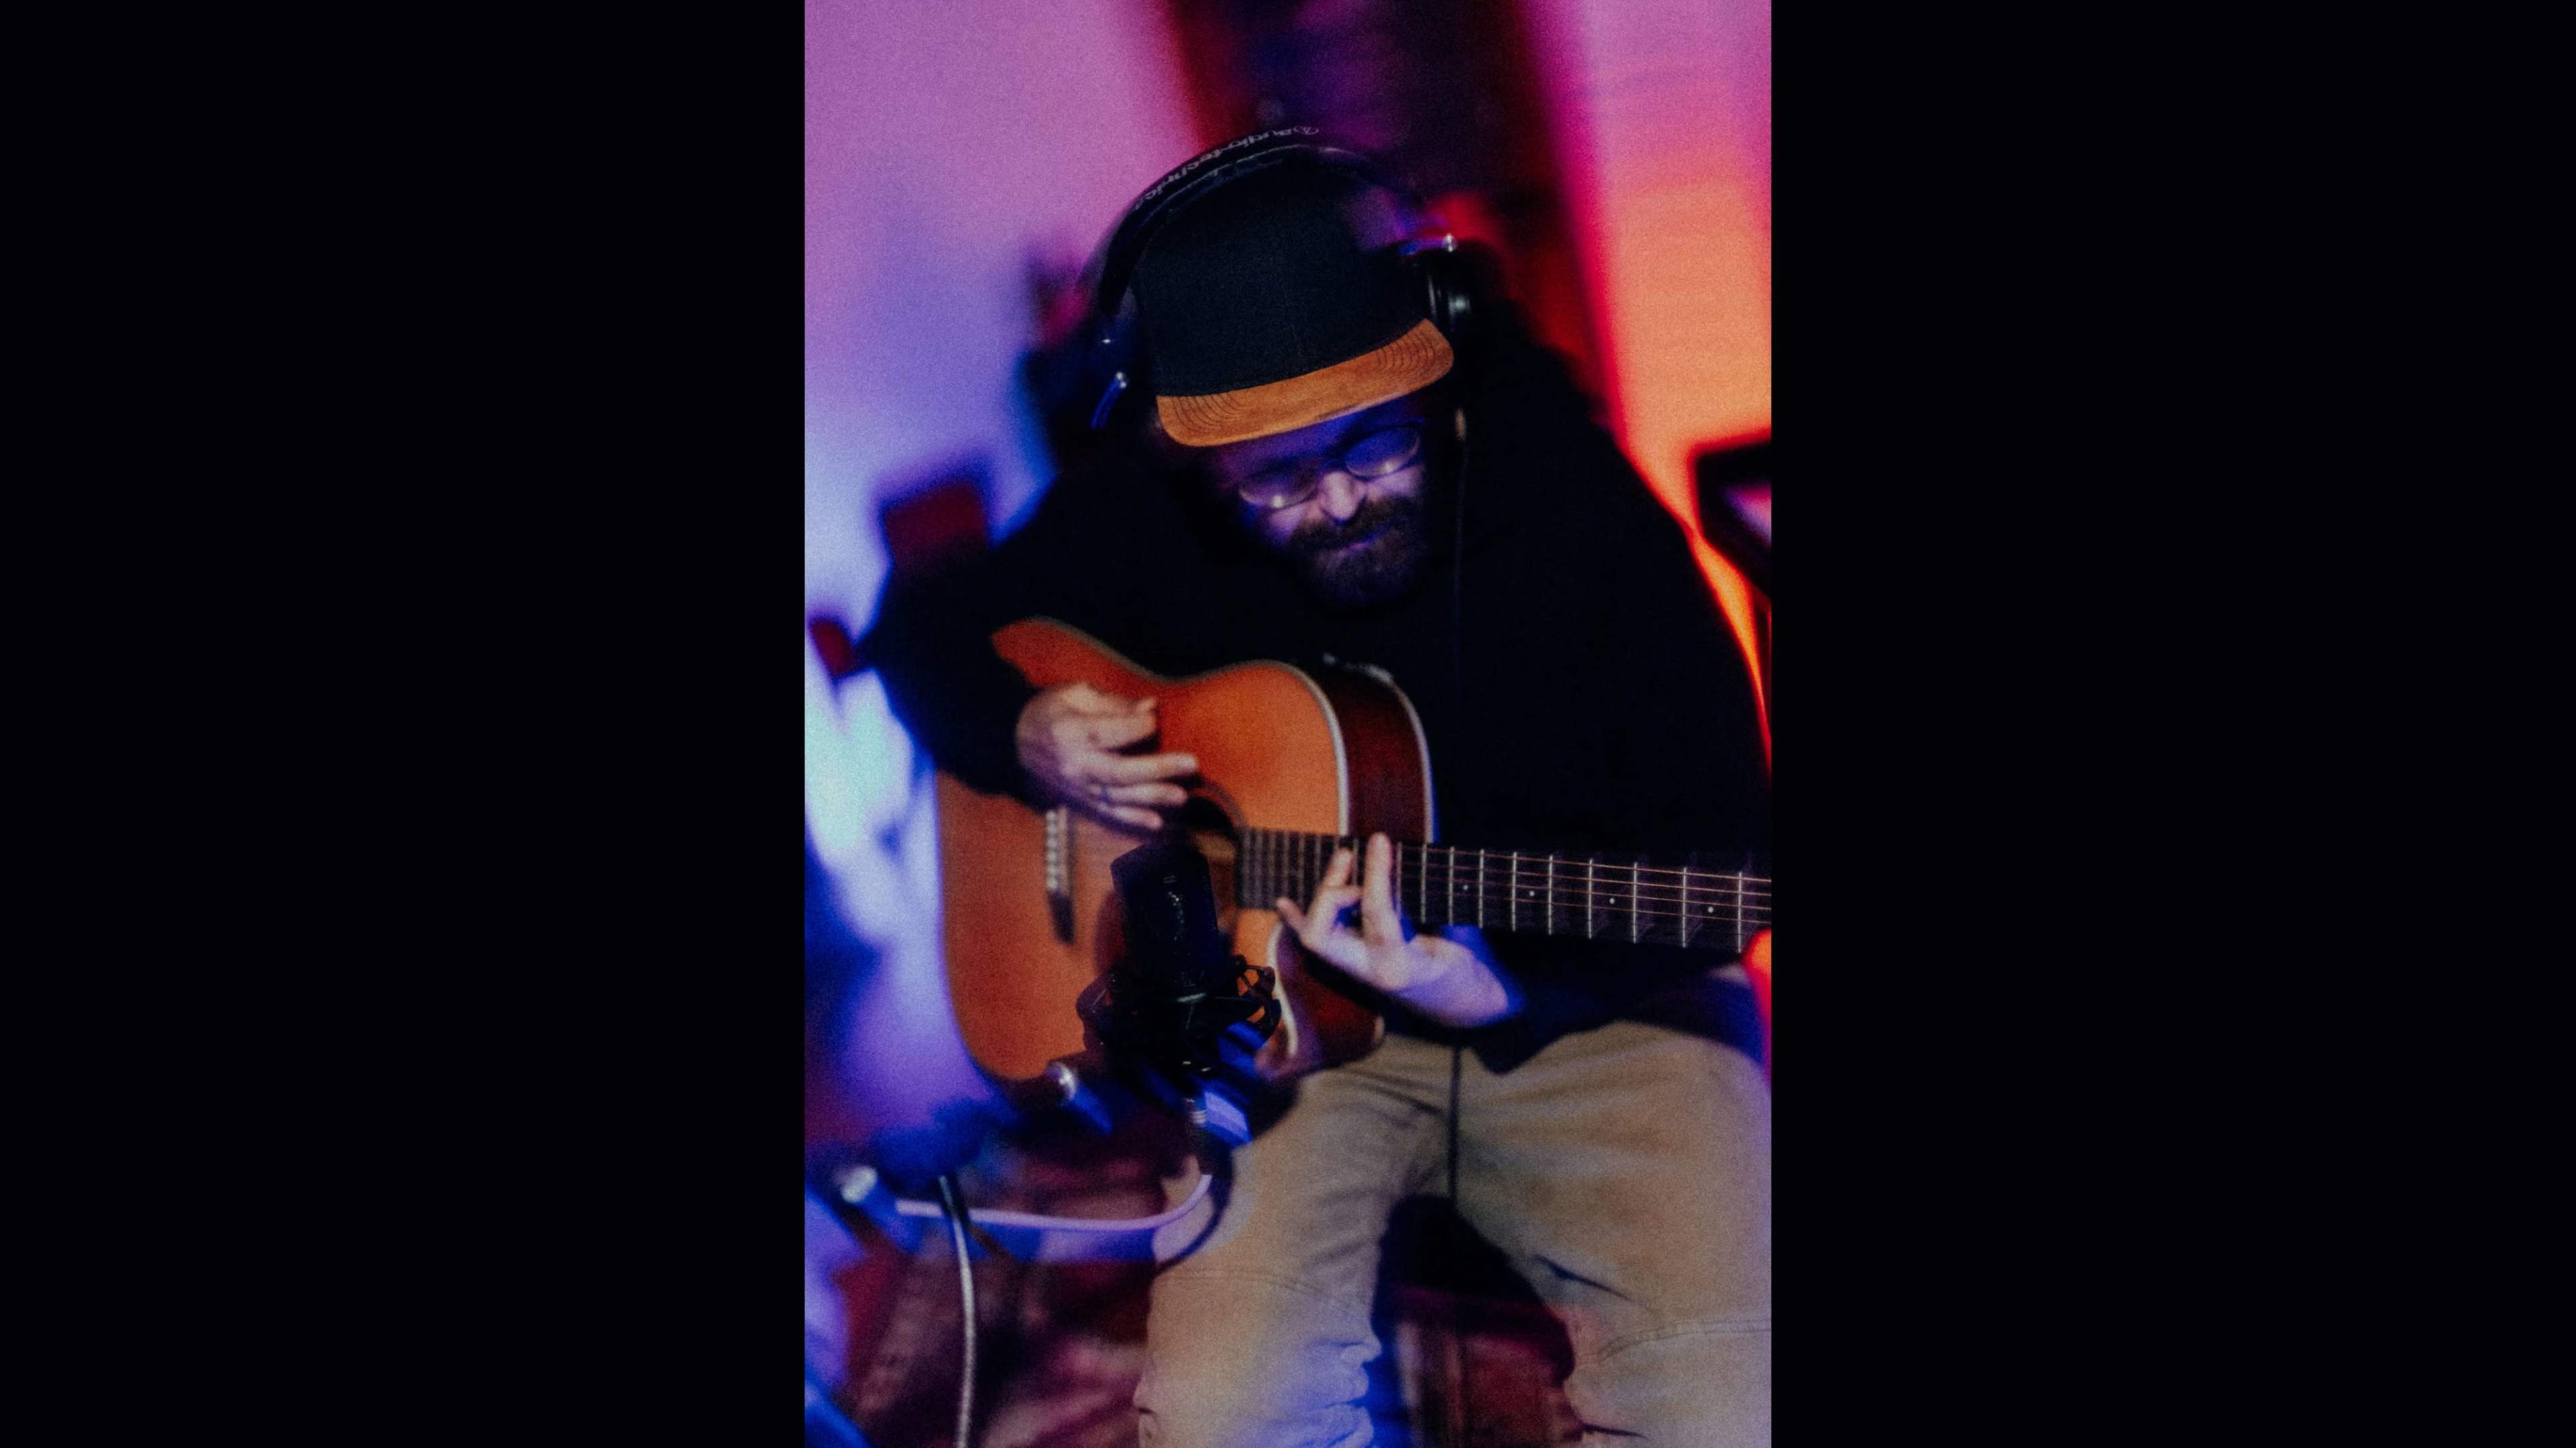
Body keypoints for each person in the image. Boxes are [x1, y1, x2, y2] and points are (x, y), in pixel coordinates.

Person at [863, 133, 1771, 1448]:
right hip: (1294, 1040)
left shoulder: (1574, 505)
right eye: (1275, 479)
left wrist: (1512, 986)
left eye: (1374, 445)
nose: (1338, 500)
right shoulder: (1152, 502)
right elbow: (921, 625)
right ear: (1199, 457)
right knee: (1220, 1418)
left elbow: (1725, 845)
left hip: (1598, 1010)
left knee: (1729, 1408)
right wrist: (1026, 730)